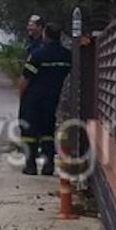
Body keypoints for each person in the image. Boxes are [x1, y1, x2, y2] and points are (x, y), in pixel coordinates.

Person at [18, 22, 72, 175]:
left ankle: (30, 165)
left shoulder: (38, 54)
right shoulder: (66, 55)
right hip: (52, 97)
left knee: (29, 131)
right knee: (47, 131)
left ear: (45, 35)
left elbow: (25, 79)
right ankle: (49, 166)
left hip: (33, 98)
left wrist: (21, 96)